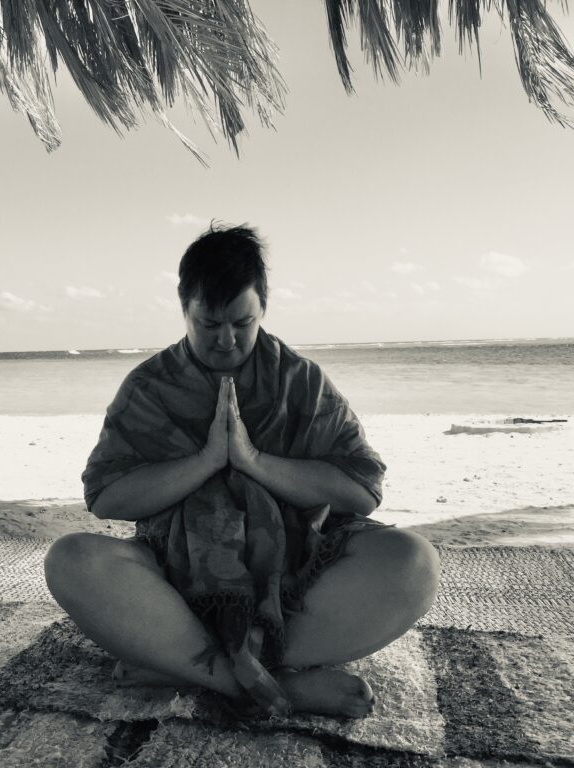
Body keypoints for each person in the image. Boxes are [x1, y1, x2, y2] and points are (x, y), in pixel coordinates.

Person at [43, 224, 441, 718]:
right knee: (71, 559)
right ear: (184, 309)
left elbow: (361, 489)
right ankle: (270, 686)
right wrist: (206, 461)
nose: (227, 340)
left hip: (297, 581)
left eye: (242, 322)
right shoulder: (149, 388)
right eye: (208, 325)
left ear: (263, 310)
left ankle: (201, 667)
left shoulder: (301, 381)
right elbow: (106, 497)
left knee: (413, 561)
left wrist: (253, 461)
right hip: (177, 584)